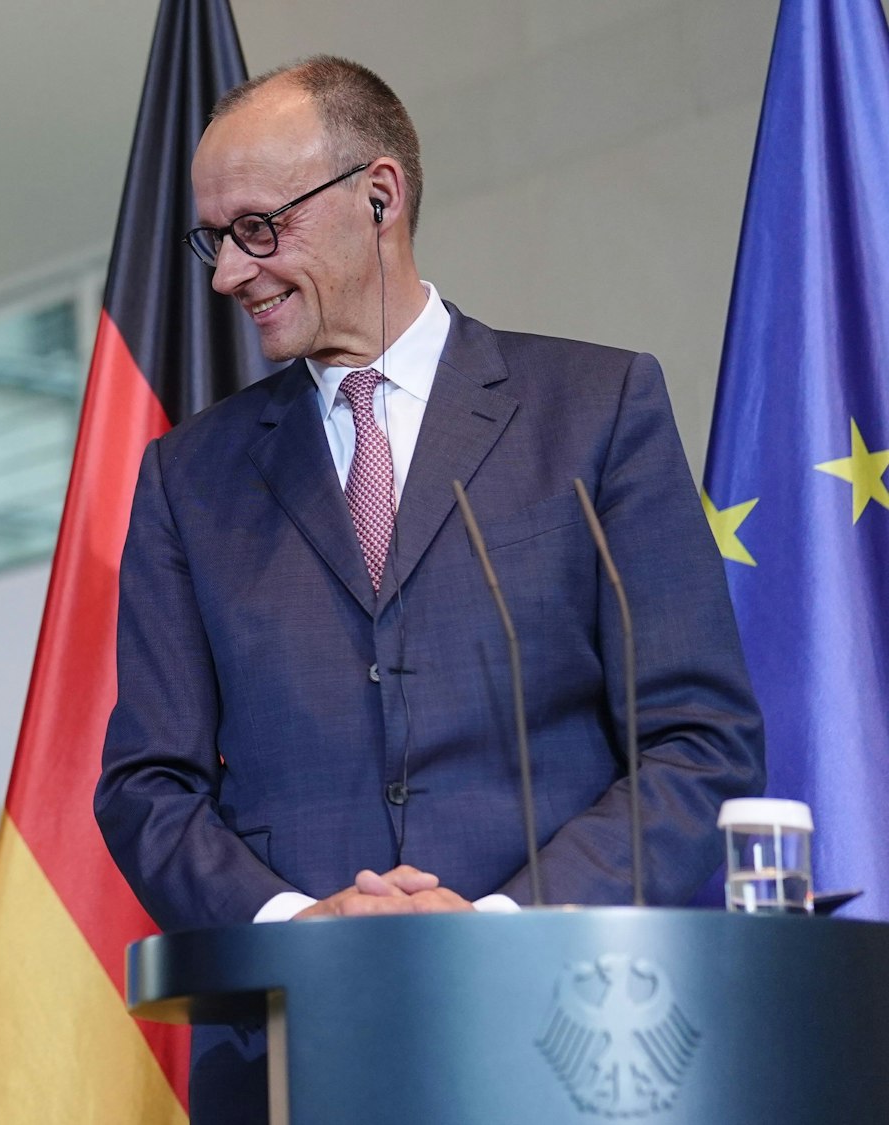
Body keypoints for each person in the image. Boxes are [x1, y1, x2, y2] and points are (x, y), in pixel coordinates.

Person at [92, 57, 762, 1118]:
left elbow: (697, 740)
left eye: (257, 228)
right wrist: (294, 927)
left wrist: (497, 928)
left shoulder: (596, 407)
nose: (228, 274)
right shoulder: (187, 476)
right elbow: (145, 784)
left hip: (569, 1035)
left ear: (378, 195)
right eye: (214, 238)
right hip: (289, 1052)